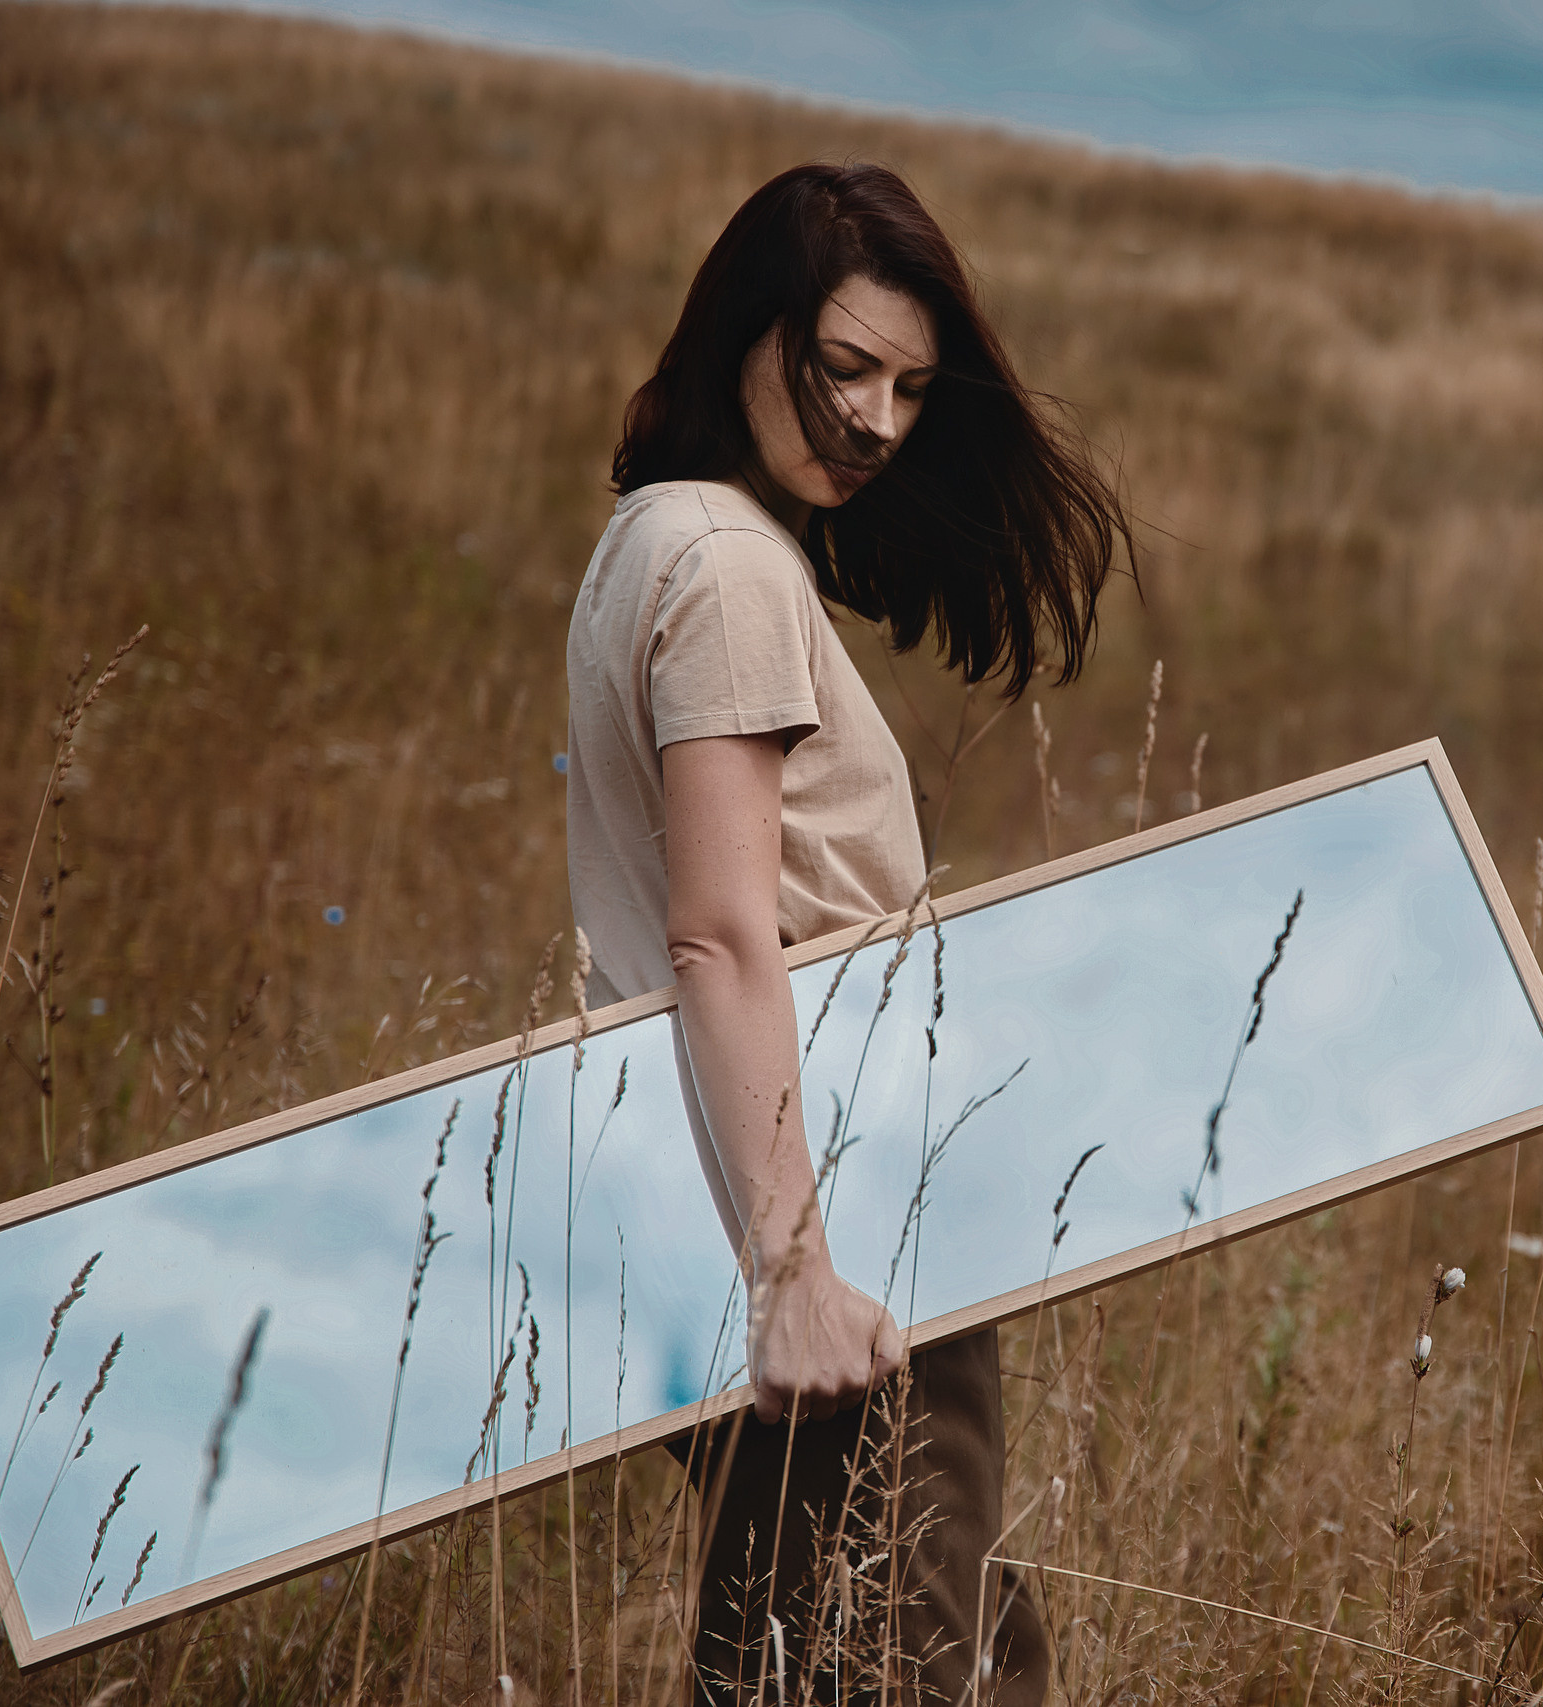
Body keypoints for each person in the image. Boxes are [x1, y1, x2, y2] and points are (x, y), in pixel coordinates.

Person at [563, 162, 1129, 1704]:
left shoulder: (651, 540)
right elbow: (725, 940)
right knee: (886, 1668)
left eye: (908, 387)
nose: (876, 418)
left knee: (900, 1649)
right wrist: (796, 1270)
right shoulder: (734, 572)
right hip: (832, 1228)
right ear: (750, 330)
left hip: (732, 1207)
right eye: (841, 366)